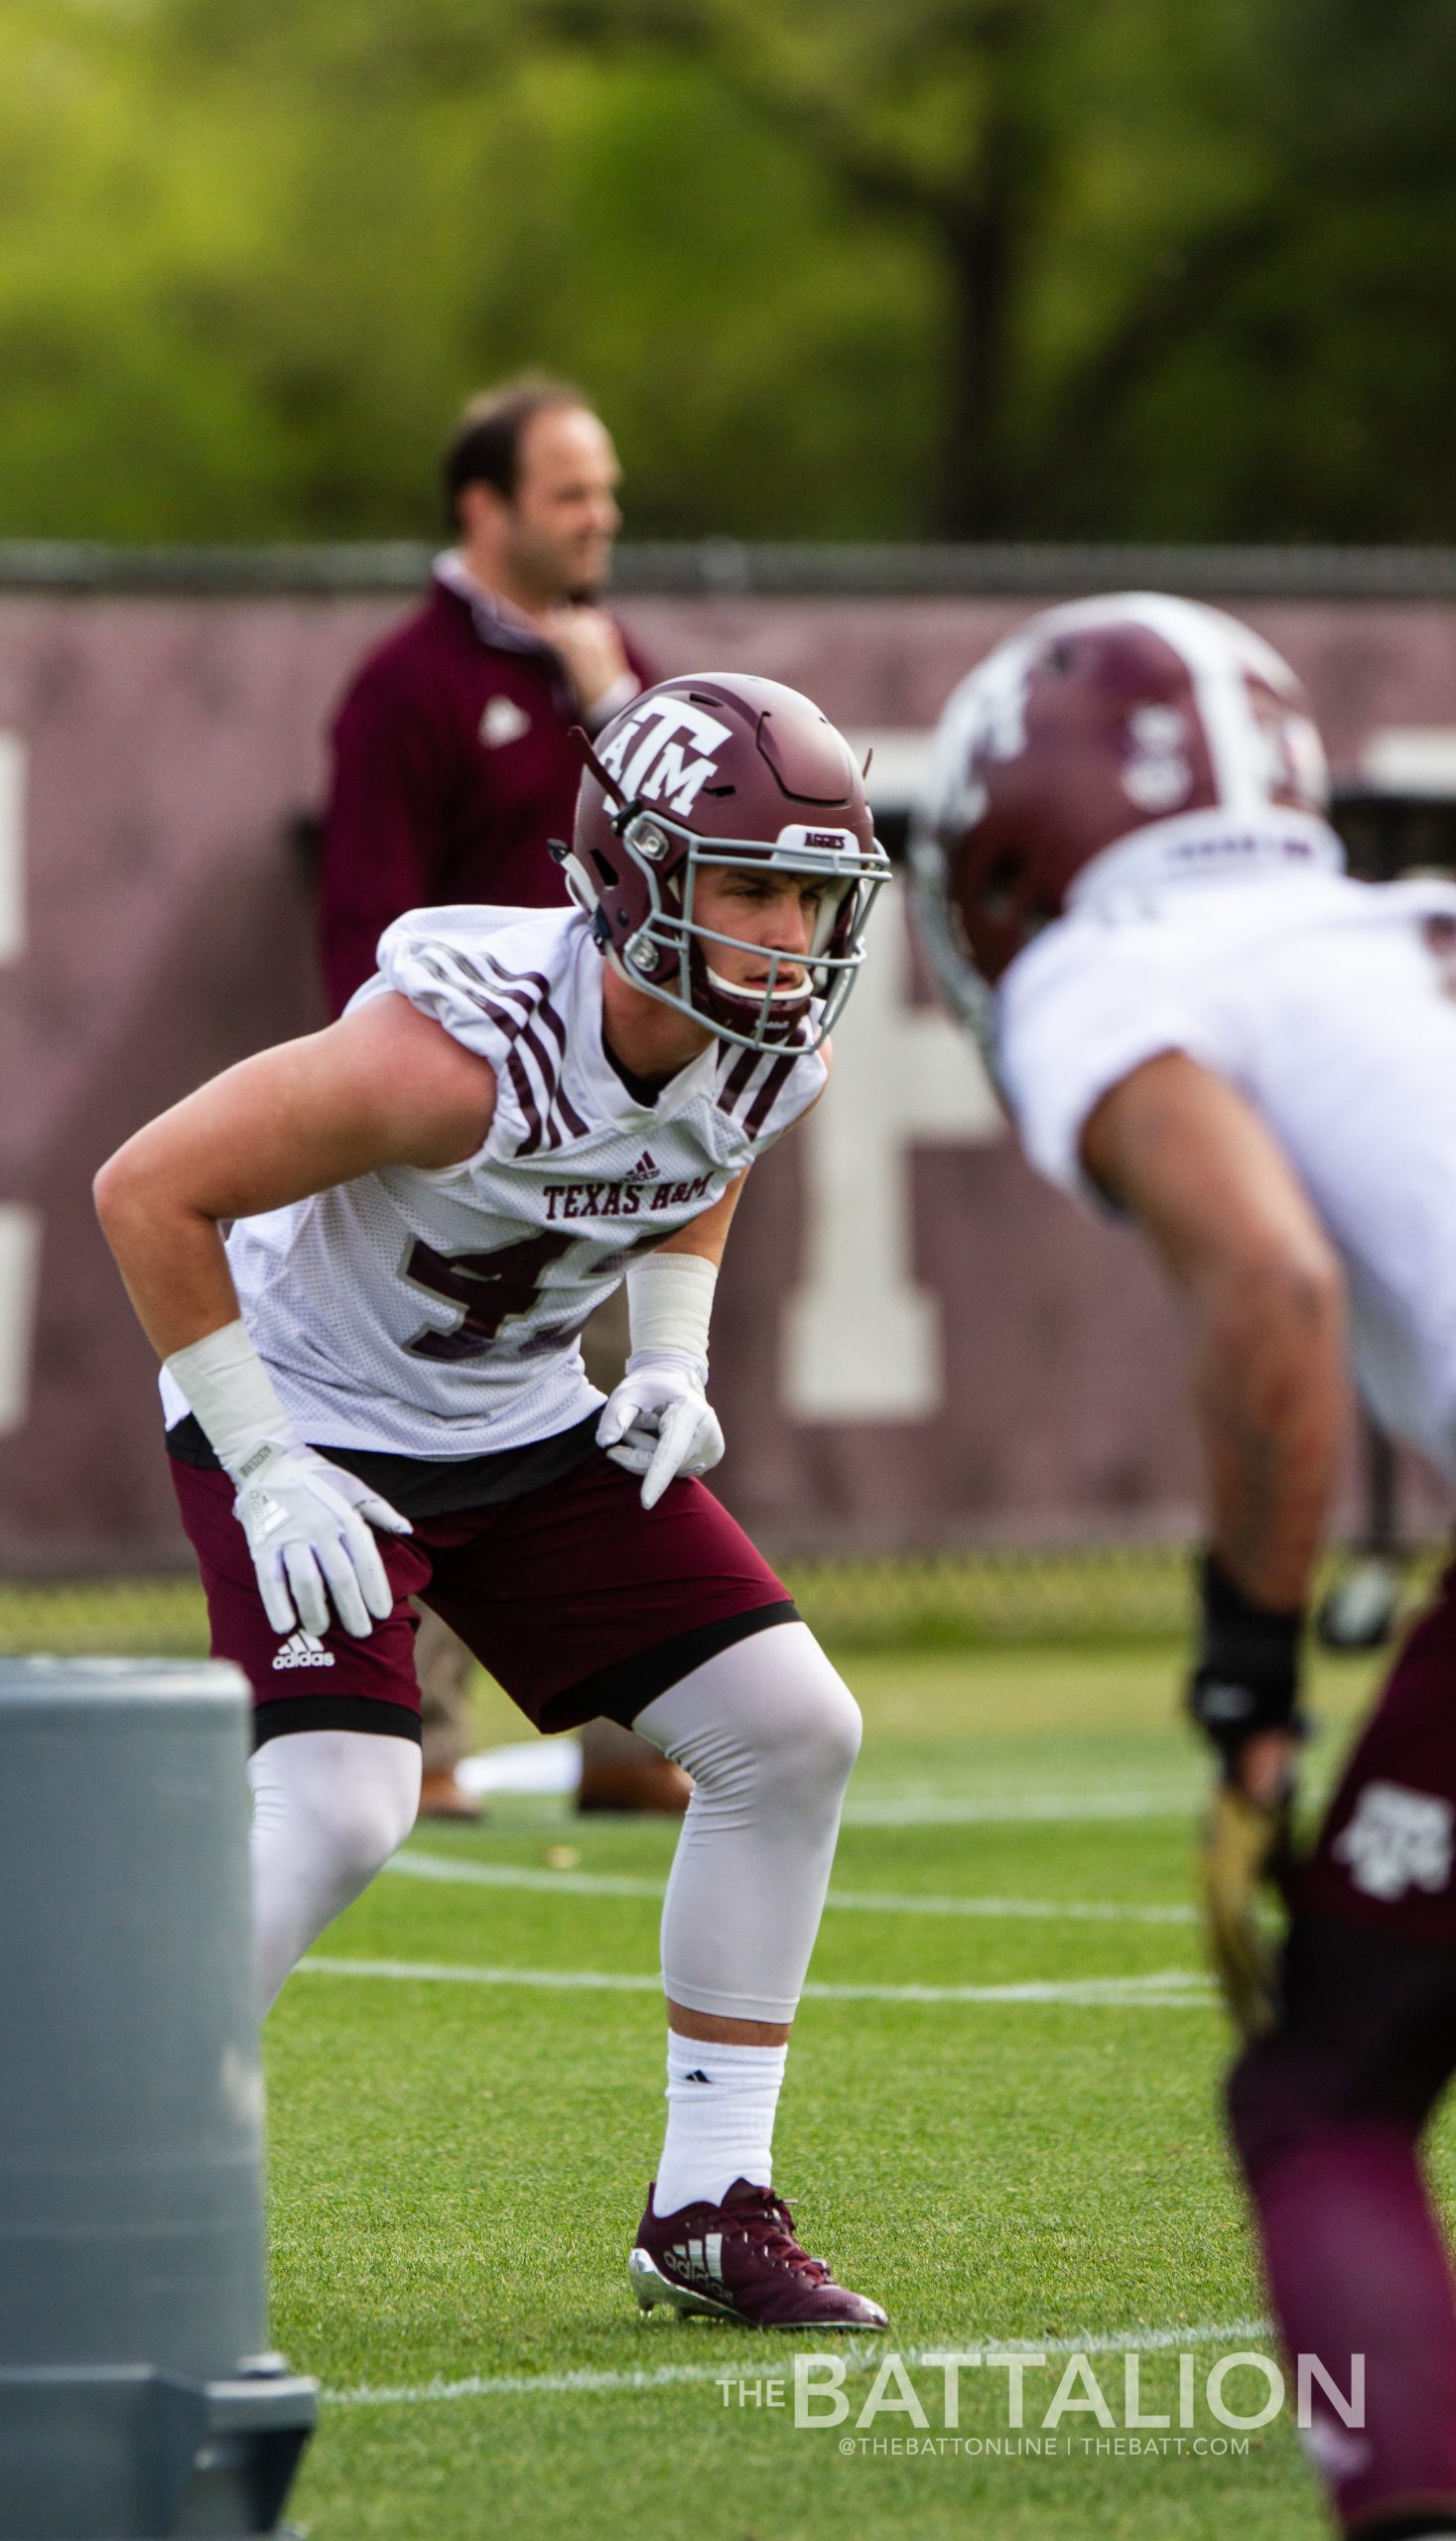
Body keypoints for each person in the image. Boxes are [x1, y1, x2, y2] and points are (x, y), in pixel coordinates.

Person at [97, 672, 892, 2329]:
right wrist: (262, 1457)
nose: (792, 930)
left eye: (815, 891)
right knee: (339, 1810)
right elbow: (147, 1188)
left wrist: (668, 1356)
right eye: (750, 883)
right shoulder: (453, 1051)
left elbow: (695, 1164)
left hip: (520, 1418)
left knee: (793, 1728)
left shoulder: (766, 1042)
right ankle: (73, 2176)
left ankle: (709, 2199)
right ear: (634, 878)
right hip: (312, 1416)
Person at [911, 592, 1456, 2539]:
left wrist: (1245, 1690)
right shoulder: (1393, 933)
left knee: (1318, 2093)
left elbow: (1270, 1283)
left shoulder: (1113, 966)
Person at [318, 374, 670, 1816]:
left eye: (606, 490)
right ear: (486, 509)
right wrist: (395, 1109)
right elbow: (362, 920)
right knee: (426, 1395)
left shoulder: (612, 664)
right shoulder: (408, 687)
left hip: (618, 1114)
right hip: (460, 1125)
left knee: (633, 1394)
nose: (602, 517)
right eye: (570, 492)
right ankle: (424, 1734)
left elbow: (696, 853)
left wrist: (610, 702)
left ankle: (633, 1723)